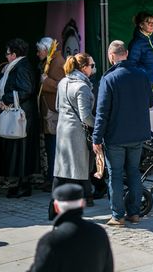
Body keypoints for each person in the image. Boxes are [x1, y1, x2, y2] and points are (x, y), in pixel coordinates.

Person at [93, 40, 153, 227]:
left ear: (111, 56)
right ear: (126, 53)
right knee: (134, 172)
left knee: (115, 175)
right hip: (138, 134)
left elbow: (102, 112)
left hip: (116, 136)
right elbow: (150, 102)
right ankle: (134, 213)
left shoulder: (108, 79)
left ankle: (117, 216)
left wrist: (96, 138)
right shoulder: (142, 75)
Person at [28, 183, 113, 272]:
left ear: (56, 207)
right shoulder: (99, 233)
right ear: (83, 204)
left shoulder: (51, 240)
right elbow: (108, 268)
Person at [52, 53, 96, 214]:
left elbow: (57, 106)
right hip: (76, 131)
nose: (93, 68)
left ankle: (56, 205)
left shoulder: (63, 82)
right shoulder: (82, 87)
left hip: (62, 128)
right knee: (79, 168)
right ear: (83, 68)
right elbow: (86, 117)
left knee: (62, 169)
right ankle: (79, 201)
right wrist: (99, 125)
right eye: (91, 65)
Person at [0, 38, 39, 198]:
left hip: (22, 115)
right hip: (21, 114)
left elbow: (26, 90)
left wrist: (6, 98)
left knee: (22, 150)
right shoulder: (18, 66)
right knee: (19, 149)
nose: (6, 56)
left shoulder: (21, 67)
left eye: (7, 53)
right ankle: (19, 184)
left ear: (14, 54)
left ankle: (24, 185)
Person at [36, 37, 66, 192]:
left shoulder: (58, 62)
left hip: (53, 112)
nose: (37, 53)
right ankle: (51, 178)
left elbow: (63, 86)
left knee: (53, 147)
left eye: (39, 50)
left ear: (47, 50)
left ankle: (55, 181)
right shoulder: (51, 61)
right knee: (50, 146)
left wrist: (46, 81)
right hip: (49, 111)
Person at [128, 11, 153, 85]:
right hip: (145, 83)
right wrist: (145, 73)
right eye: (148, 22)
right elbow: (131, 65)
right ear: (141, 25)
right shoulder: (136, 43)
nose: (151, 25)